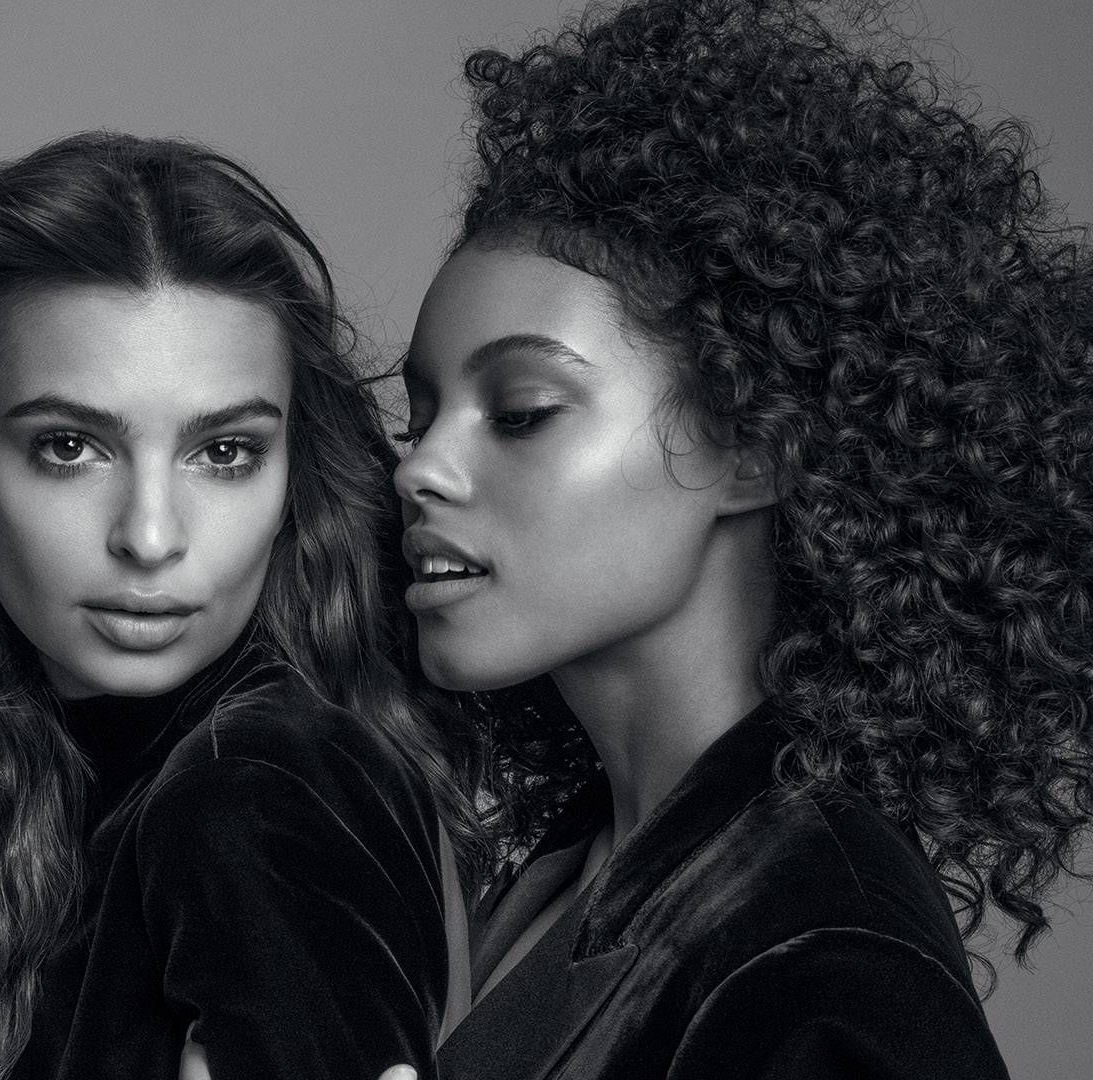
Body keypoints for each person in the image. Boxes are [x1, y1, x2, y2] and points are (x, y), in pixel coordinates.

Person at [396, 0, 1093, 1076]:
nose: (421, 466)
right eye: (421, 412)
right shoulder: (573, 875)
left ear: (751, 446)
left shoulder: (829, 961)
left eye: (522, 410)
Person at [0, 132, 482, 1080]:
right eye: (69, 448)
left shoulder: (258, 784)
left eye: (223, 453)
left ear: (290, 481)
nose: (149, 537)